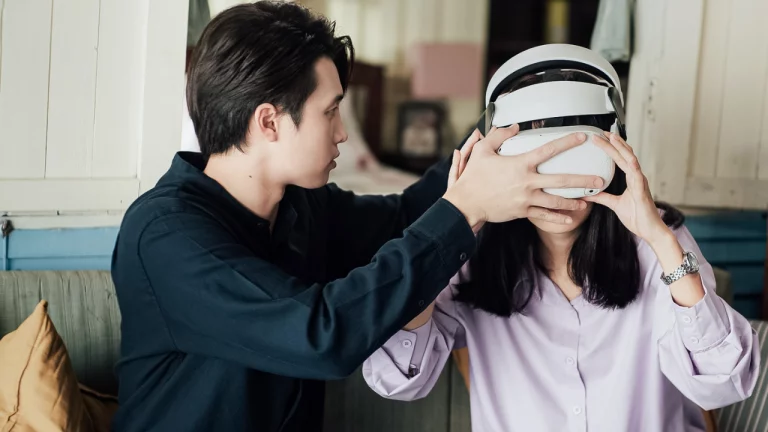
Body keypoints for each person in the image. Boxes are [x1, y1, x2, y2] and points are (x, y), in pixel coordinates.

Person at [109, 3, 606, 432]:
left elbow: (408, 215)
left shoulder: (301, 207)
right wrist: (468, 208)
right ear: (269, 121)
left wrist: (507, 124)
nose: (343, 133)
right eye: (331, 111)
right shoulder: (166, 235)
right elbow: (321, 335)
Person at [362, 69, 760, 432]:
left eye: (574, 157)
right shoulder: (473, 253)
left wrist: (660, 240)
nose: (559, 189)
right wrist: (451, 227)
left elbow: (725, 379)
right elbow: (397, 378)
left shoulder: (655, 239)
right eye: (540, 161)